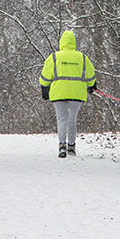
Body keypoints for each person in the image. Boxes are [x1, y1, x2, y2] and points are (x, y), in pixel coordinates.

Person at [39, 30, 96, 158]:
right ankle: (72, 146)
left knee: (62, 119)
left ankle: (62, 146)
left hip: (59, 93)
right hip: (77, 93)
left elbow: (45, 76)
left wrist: (45, 88)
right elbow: (90, 74)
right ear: (74, 42)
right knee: (72, 119)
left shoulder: (54, 57)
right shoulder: (81, 57)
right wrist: (92, 85)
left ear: (62, 42)